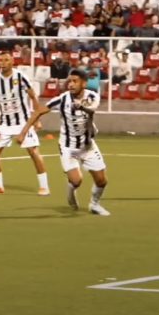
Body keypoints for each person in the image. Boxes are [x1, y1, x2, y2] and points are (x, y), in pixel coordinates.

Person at [17, 69, 110, 216]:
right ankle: (71, 191)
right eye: (69, 81)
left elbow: (91, 110)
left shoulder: (93, 96)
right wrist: (23, 132)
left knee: (102, 181)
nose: (71, 84)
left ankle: (94, 204)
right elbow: (39, 111)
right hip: (68, 147)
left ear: (84, 83)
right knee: (76, 181)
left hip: (88, 145)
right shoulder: (62, 99)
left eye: (75, 81)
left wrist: (81, 107)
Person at [0, 53, 50, 195]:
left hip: (23, 122)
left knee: (33, 152)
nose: (3, 62)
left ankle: (44, 186)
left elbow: (33, 96)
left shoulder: (20, 77)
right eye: (0, 60)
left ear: (12, 62)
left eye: (6, 60)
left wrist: (37, 119)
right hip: (4, 124)